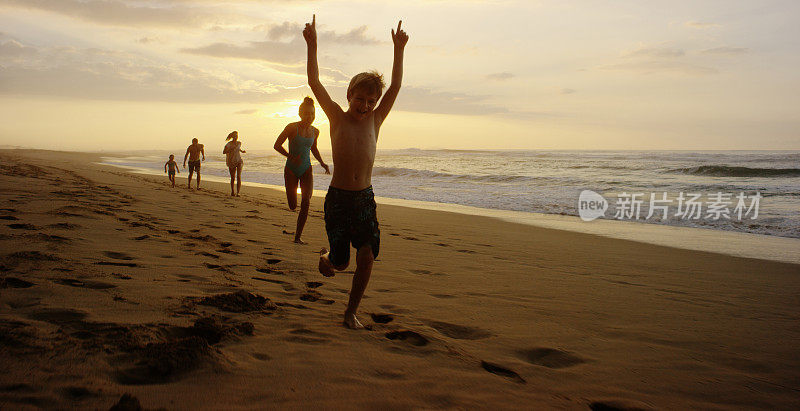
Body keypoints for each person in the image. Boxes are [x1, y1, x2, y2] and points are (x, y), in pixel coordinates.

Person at [304, 15, 408, 329]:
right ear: (349, 95)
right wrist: (313, 45)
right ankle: (327, 258)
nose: (364, 105)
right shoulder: (337, 116)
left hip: (364, 200)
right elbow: (315, 83)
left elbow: (397, 86)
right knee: (340, 262)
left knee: (366, 256)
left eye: (370, 101)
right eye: (360, 99)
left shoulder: (376, 120)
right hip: (337, 201)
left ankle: (350, 312)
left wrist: (399, 49)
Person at [274, 97, 331, 244]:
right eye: (306, 113)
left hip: (306, 168)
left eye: (312, 114)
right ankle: (294, 214)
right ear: (300, 113)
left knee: (306, 201)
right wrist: (290, 156)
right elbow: (277, 145)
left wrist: (322, 163)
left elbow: (313, 148)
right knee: (293, 206)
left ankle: (298, 237)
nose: (309, 117)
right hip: (291, 169)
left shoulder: (315, 131)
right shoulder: (292, 127)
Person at [223, 131, 246, 197]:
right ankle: (232, 192)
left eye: (237, 136)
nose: (236, 137)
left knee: (238, 176)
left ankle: (238, 192)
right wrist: (230, 150)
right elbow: (224, 152)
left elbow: (238, 149)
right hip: (231, 161)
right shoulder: (229, 144)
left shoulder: (239, 143)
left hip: (239, 160)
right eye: (235, 136)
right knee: (233, 177)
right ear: (232, 137)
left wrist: (242, 151)